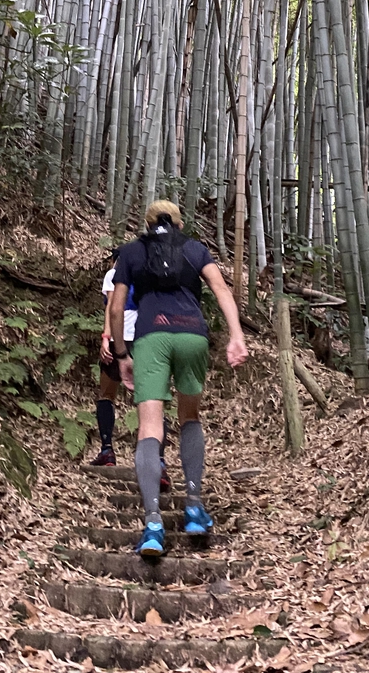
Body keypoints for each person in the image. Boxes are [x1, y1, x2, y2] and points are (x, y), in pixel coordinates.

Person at [109, 199, 248, 558]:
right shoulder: (194, 248)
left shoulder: (131, 252)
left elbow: (116, 306)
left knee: (149, 429)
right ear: (178, 222)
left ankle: (154, 524)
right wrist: (236, 335)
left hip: (150, 337)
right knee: (190, 417)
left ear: (147, 221)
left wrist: (122, 353)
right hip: (192, 335)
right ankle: (194, 508)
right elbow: (221, 289)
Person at [93, 247, 171, 486]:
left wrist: (106, 337)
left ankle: (108, 450)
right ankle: (158, 461)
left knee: (107, 394)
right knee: (151, 401)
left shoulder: (114, 274)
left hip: (121, 336)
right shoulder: (151, 274)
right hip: (146, 338)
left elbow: (110, 308)